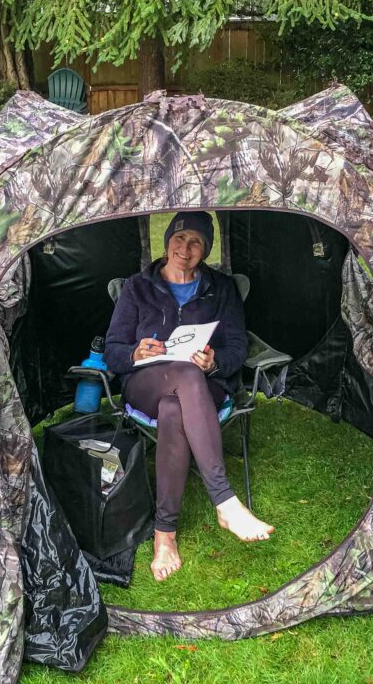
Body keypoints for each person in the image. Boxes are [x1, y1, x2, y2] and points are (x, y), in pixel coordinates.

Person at [104, 211, 275, 581]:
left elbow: (236, 347)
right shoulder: (137, 287)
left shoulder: (221, 288)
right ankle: (224, 500)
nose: (186, 248)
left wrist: (214, 363)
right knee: (176, 380)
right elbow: (113, 352)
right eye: (180, 238)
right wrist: (136, 353)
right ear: (167, 242)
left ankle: (164, 536)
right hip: (146, 383)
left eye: (196, 242)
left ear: (206, 249)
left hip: (205, 384)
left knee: (173, 409)